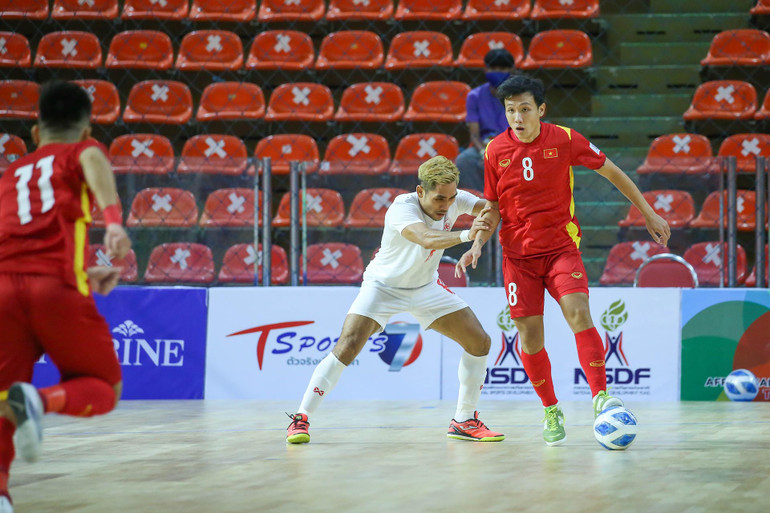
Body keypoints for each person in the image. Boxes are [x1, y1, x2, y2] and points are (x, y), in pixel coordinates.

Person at [456, 74, 671, 447]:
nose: (518, 117)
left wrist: (648, 213)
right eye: (511, 110)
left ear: (541, 109)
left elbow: (612, 171)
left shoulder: (565, 139)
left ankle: (600, 396)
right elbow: (492, 207)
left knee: (578, 312)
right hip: (518, 258)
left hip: (560, 249)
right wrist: (476, 242)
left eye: (525, 109)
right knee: (529, 335)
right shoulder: (494, 151)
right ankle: (551, 409)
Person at [286, 156, 503, 444]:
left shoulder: (455, 198)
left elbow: (493, 208)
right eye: (439, 199)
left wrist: (478, 243)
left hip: (425, 287)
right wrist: (466, 234)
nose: (447, 205)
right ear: (421, 191)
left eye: (451, 198)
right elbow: (426, 238)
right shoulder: (402, 207)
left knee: (479, 342)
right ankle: (301, 418)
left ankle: (464, 420)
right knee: (347, 346)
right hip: (382, 288)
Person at [0, 81, 131, 513]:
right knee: (106, 387)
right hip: (55, 291)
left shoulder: (10, 175)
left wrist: (84, 273)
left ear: (35, 132)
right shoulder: (82, 151)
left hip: (3, 291)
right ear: (87, 130)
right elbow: (91, 157)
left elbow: (20, 246)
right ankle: (40, 401)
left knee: (1, 401)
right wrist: (113, 222)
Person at [454, 49, 516, 192]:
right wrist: (484, 152)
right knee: (464, 160)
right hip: (485, 146)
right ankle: (481, 199)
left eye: (503, 68)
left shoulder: (521, 95)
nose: (498, 72)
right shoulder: (474, 96)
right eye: (493, 68)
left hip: (515, 146)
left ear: (512, 70)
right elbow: (474, 135)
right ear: (485, 69)